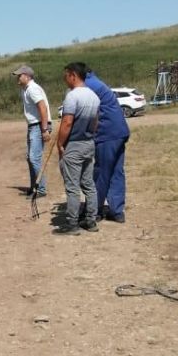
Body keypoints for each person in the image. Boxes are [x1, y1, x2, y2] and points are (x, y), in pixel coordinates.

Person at [54, 62, 100, 235]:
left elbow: (67, 123)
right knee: (88, 184)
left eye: (66, 75)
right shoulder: (94, 97)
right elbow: (96, 122)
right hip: (89, 143)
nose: (65, 79)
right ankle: (91, 220)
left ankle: (72, 224)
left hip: (74, 144)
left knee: (72, 186)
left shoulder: (73, 97)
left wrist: (60, 143)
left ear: (73, 75)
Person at [84, 68, 129, 223]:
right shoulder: (98, 83)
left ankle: (94, 210)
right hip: (119, 132)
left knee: (102, 171)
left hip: (107, 133)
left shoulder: (88, 85)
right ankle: (117, 211)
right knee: (116, 171)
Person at [12, 65, 51, 197]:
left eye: (20, 75)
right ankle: (34, 186)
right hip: (33, 125)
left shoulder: (33, 89)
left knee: (34, 158)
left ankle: (41, 189)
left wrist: (44, 129)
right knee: (31, 158)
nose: (17, 77)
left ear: (27, 76)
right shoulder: (26, 89)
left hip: (38, 125)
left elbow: (42, 108)